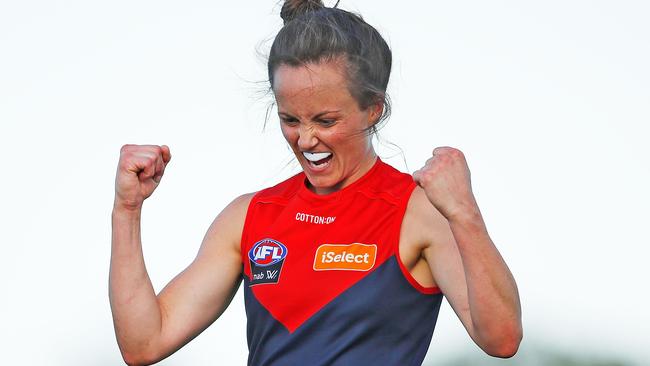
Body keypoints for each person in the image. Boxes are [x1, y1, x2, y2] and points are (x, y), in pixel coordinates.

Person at [109, 1, 522, 365]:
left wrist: (465, 213)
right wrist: (127, 210)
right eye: (291, 120)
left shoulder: (418, 212)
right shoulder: (248, 217)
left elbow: (502, 339)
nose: (306, 140)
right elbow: (145, 344)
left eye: (326, 121)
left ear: (373, 109)